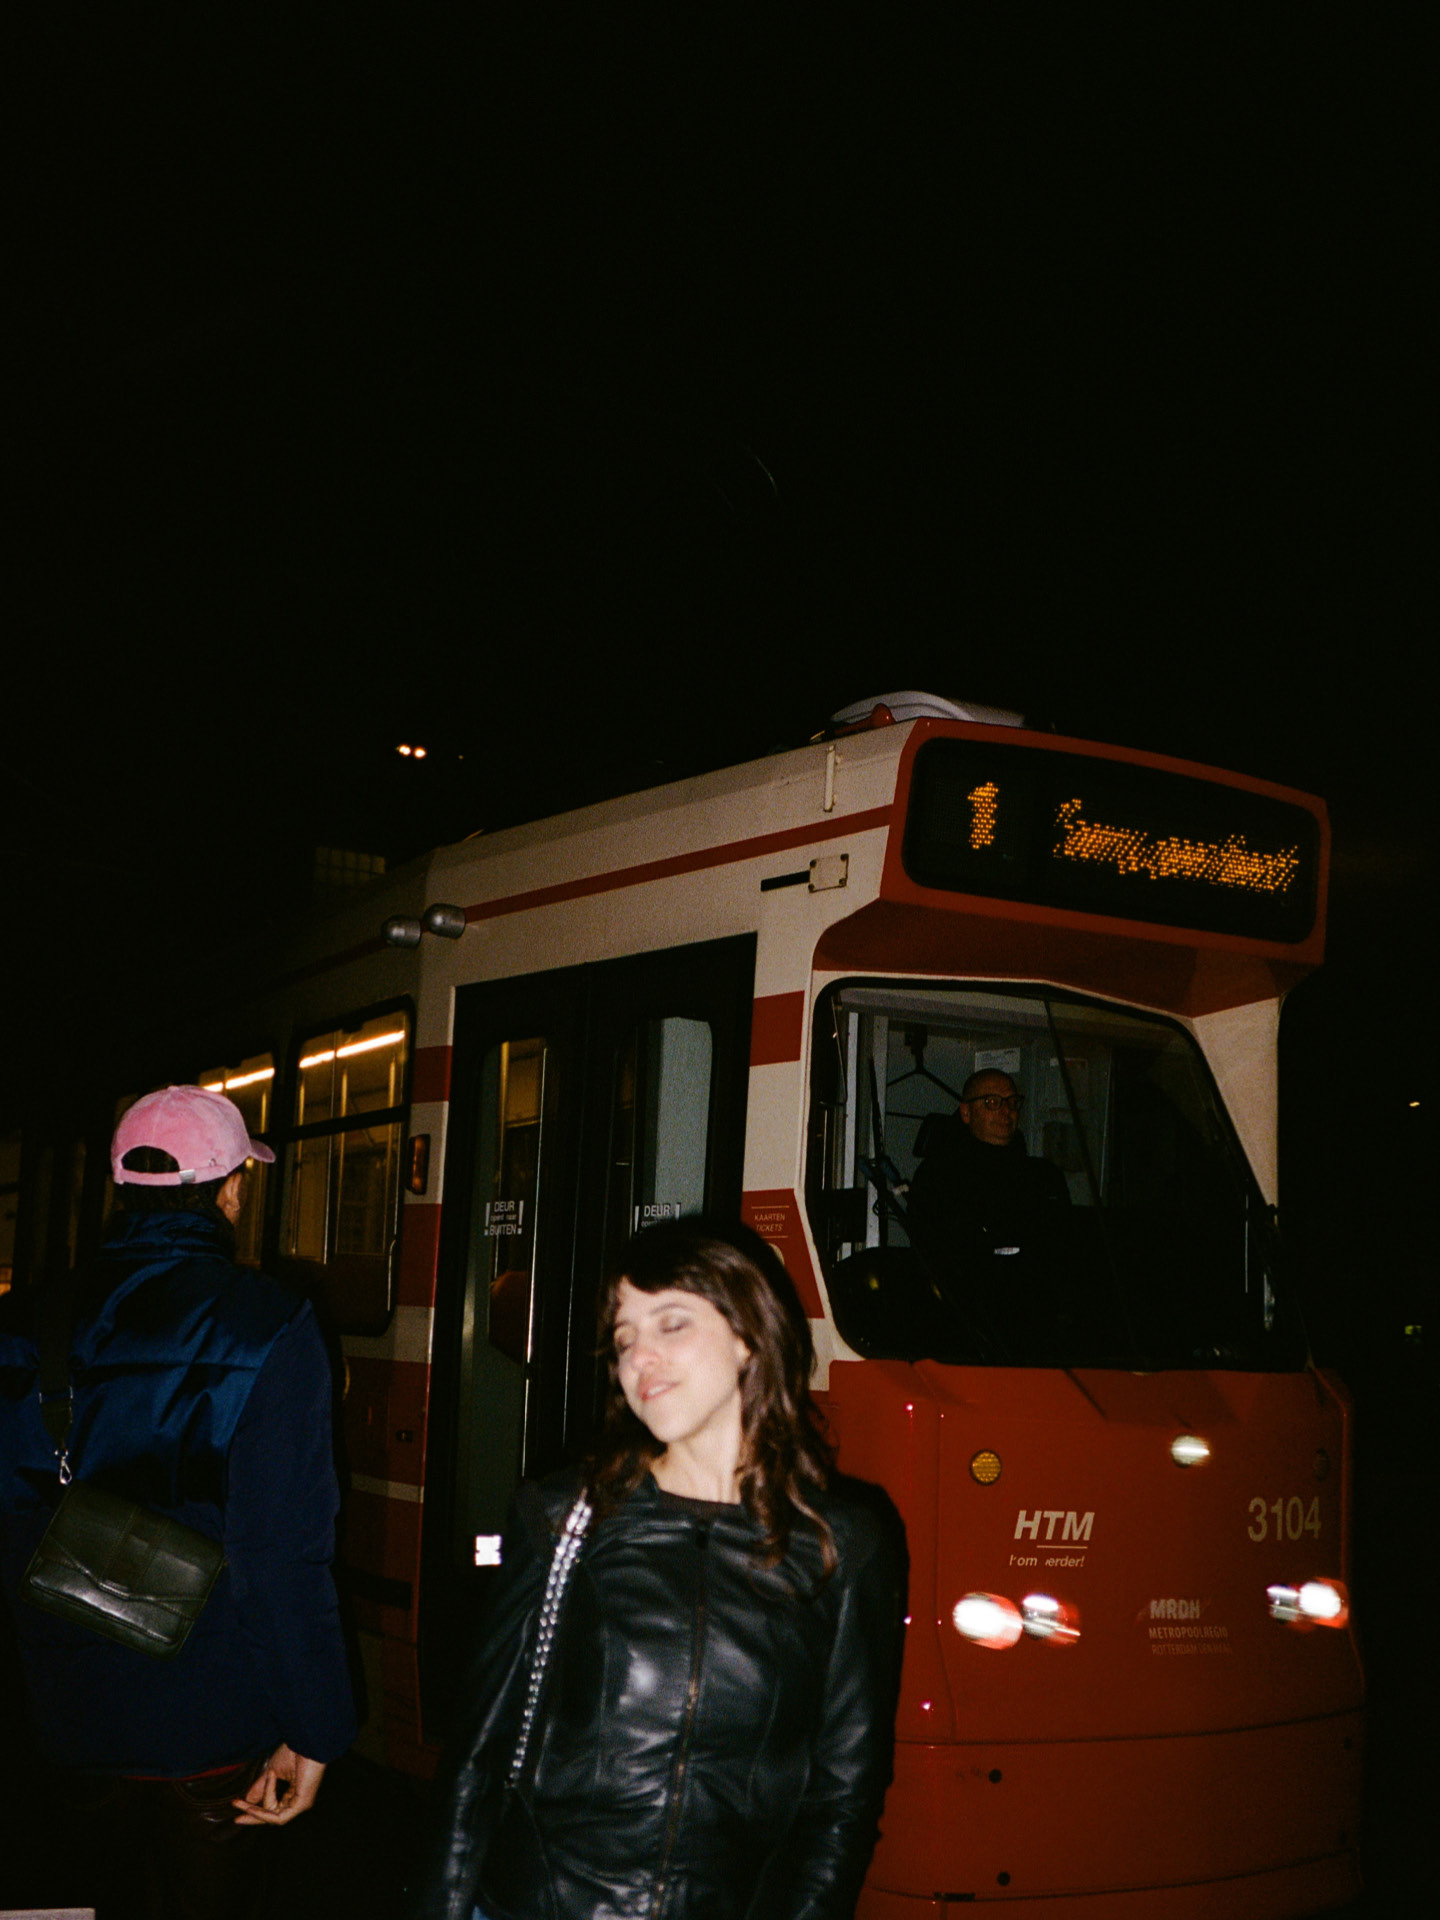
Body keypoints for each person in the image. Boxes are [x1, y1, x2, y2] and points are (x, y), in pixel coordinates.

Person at [408, 1222, 906, 1920]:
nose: (640, 1356)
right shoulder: (564, 1517)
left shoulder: (844, 1546)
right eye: (623, 1338)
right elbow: (477, 1758)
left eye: (671, 1324)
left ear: (749, 1335)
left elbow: (843, 1799)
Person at [0, 1084, 357, 1918]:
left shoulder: (21, 1322)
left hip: (64, 1713)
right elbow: (281, 1556)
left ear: (123, 1188)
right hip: (210, 1715)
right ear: (230, 1191)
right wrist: (315, 1727)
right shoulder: (270, 1322)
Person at [906, 1069, 1071, 1323]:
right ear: (966, 1112)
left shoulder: (1043, 1176)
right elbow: (940, 1256)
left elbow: (1060, 1253)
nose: (1006, 1111)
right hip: (964, 1317)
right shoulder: (939, 1175)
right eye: (992, 1102)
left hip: (1032, 1317)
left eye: (1012, 1102)